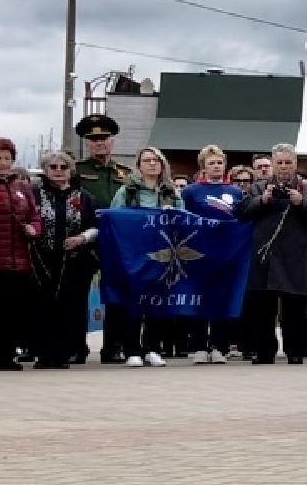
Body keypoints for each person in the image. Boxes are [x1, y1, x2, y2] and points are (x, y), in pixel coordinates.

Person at [236, 144, 307, 364]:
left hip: (295, 255)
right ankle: (264, 352)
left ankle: (296, 351)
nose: (284, 167)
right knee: (262, 307)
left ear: (295, 164)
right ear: (273, 164)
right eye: (280, 163)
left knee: (295, 306)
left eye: (288, 162)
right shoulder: (258, 188)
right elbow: (242, 212)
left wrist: (302, 203)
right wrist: (263, 200)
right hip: (264, 255)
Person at [110, 146, 182, 367]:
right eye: (147, 160)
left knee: (157, 302)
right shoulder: (126, 191)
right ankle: (132, 349)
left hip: (163, 254)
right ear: (138, 166)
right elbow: (114, 219)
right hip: (133, 255)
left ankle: (152, 348)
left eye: (156, 160)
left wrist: (174, 215)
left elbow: (184, 221)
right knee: (133, 301)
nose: (152, 164)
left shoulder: (172, 192)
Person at [30, 151, 100, 369]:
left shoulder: (84, 196)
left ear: (71, 171)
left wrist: (81, 238)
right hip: (42, 260)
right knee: (43, 306)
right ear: (45, 170)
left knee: (73, 306)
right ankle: (43, 353)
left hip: (75, 261)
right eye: (53, 167)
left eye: (63, 167)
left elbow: (96, 227)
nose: (58, 171)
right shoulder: (34, 194)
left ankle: (72, 350)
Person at [71, 115, 131, 363]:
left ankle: (113, 347)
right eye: (93, 139)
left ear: (112, 141)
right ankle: (76, 347)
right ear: (86, 142)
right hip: (84, 239)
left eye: (104, 138)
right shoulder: (76, 170)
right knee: (77, 295)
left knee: (117, 295)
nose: (99, 143)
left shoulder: (126, 173)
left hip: (116, 241)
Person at [181, 144, 244, 364]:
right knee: (199, 299)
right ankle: (199, 345)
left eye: (220, 162)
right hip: (197, 252)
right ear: (203, 167)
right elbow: (183, 220)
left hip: (226, 253)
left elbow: (241, 220)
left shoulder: (235, 192)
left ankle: (219, 346)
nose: (216, 166)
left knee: (221, 299)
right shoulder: (191, 192)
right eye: (212, 163)